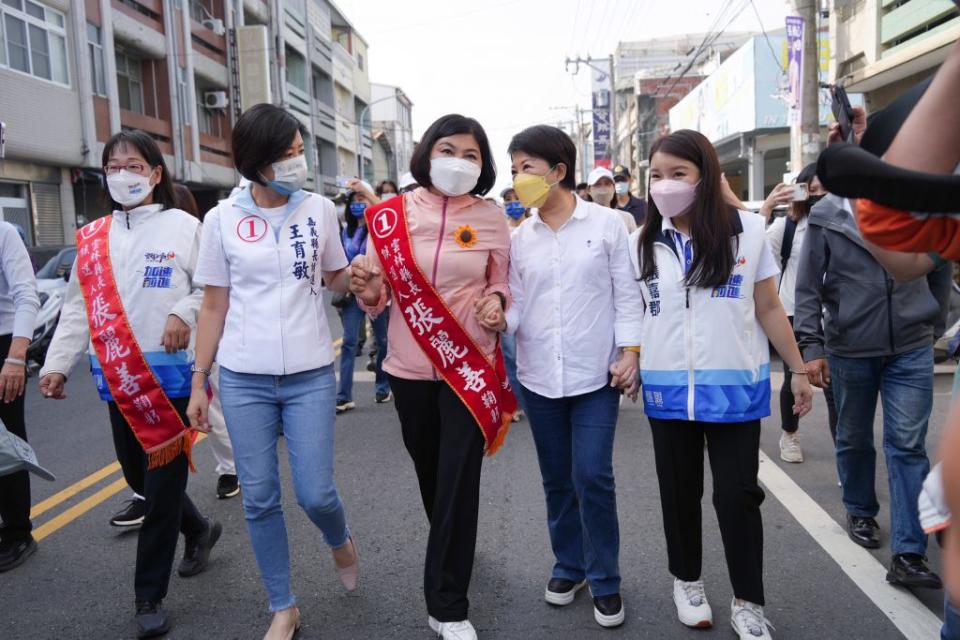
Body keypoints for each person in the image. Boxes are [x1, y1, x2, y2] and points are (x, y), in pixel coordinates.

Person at [630, 130, 813, 640]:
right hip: (667, 393)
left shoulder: (749, 232)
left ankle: (748, 600)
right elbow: (634, 314)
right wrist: (629, 359)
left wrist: (798, 369)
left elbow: (769, 306)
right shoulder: (640, 241)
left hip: (734, 390)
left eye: (678, 174)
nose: (665, 186)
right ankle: (687, 581)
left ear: (705, 177)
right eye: (656, 176)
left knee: (737, 497)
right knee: (678, 495)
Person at [39, 130, 221, 638]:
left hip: (171, 377)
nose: (124, 175)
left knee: (160, 489)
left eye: (135, 166)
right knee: (138, 479)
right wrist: (56, 364)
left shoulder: (184, 226)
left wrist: (182, 312)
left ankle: (149, 596)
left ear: (156, 174)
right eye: (114, 166)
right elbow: (78, 309)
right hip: (117, 377)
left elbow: (210, 289)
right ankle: (200, 528)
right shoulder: (92, 236)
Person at [186, 104, 358, 640]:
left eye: (299, 151)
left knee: (315, 493)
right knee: (259, 497)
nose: (297, 162)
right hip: (243, 377)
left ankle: (339, 536)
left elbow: (334, 277)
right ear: (256, 162)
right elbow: (213, 303)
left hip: (308, 373)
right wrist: (200, 380)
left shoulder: (319, 211)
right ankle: (283, 605)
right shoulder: (221, 220)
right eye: (285, 155)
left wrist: (362, 277)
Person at [349, 113, 514, 640]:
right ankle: (454, 540)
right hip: (408, 368)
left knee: (460, 478)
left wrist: (496, 303)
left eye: (471, 155)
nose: (459, 162)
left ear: (482, 165)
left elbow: (501, 280)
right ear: (426, 154)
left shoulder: (491, 217)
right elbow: (376, 296)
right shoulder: (390, 217)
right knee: (433, 474)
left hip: (469, 365)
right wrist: (369, 292)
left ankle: (448, 604)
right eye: (449, 150)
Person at [505, 125, 643, 629]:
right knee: (557, 480)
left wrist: (631, 352)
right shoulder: (519, 239)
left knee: (593, 476)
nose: (520, 178)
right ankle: (571, 565)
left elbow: (627, 296)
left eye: (528, 168)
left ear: (559, 171)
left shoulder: (608, 225)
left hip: (594, 377)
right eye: (515, 168)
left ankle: (606, 578)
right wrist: (501, 318)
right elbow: (517, 304)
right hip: (538, 376)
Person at [794, 179, 945, 590]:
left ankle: (909, 552)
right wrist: (812, 347)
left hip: (911, 346)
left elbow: (941, 263)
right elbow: (806, 287)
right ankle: (860, 508)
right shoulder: (827, 213)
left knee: (908, 446)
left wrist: (934, 325)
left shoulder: (917, 203)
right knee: (854, 436)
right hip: (850, 347)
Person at [761, 165, 839, 462]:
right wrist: (768, 206)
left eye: (826, 190)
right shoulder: (788, 227)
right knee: (796, 375)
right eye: (813, 190)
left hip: (832, 315)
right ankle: (790, 434)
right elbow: (755, 249)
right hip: (794, 313)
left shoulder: (845, 222)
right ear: (801, 192)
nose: (819, 197)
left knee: (833, 384)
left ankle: (844, 453)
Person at [174, 182, 240, 500]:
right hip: (167, 346)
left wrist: (181, 314)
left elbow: (208, 295)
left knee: (217, 404)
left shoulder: (197, 232)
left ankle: (232, 468)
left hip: (211, 333)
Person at [0, 220, 40, 573]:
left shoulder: (4, 233)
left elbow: (27, 295)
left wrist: (16, 357)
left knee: (7, 443)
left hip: (4, 346)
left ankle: (17, 532)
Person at [336, 188, 391, 413]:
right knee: (349, 343)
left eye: (362, 200)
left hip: (376, 290)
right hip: (351, 293)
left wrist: (367, 191)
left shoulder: (377, 229)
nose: (357, 205)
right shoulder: (344, 231)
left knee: (384, 341)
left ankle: (382, 387)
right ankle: (344, 395)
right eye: (353, 201)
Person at [587, 167, 636, 233]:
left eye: (607, 184)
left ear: (614, 188)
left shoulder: (626, 219)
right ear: (589, 190)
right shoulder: (582, 220)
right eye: (597, 184)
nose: (603, 188)